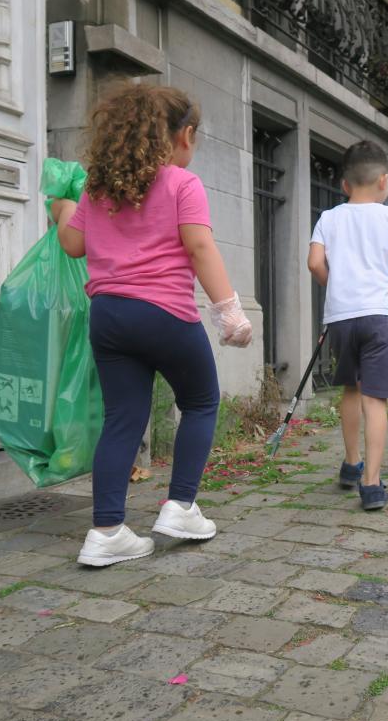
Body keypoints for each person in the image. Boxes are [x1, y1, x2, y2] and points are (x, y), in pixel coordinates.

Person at [51, 85, 253, 567]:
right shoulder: (183, 185)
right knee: (201, 401)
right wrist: (230, 311)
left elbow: (73, 245)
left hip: (108, 316)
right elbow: (200, 248)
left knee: (122, 418)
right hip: (164, 314)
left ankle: (106, 532)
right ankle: (181, 506)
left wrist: (61, 207)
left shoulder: (98, 188)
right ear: (184, 135)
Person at [308, 141, 388, 511]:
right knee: (375, 397)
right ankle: (371, 483)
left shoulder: (329, 218)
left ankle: (352, 464)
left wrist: (331, 281)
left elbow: (314, 263)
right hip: (376, 316)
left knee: (350, 390)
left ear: (344, 184)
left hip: (340, 318)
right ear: (384, 181)